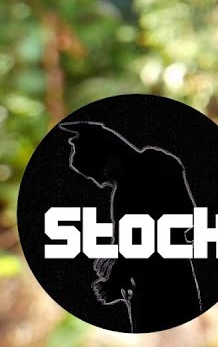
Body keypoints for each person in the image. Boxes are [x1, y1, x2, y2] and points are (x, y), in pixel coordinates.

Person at [59, 121, 203, 332]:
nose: (99, 182)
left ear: (109, 156)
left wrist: (115, 275)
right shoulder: (123, 192)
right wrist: (115, 269)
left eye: (95, 173)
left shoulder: (156, 165)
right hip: (143, 294)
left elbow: (181, 220)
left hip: (169, 290)